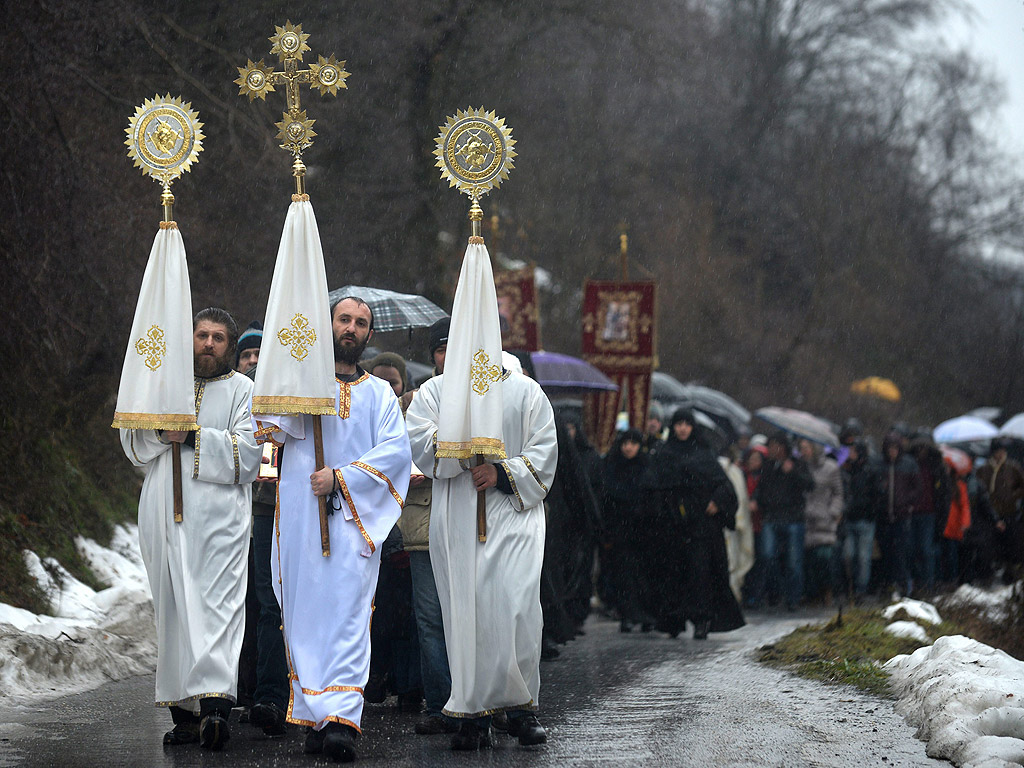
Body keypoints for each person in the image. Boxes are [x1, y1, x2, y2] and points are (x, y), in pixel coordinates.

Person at [257, 296, 412, 762]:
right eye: (344, 319)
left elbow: (395, 454)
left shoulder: (379, 394)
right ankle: (314, 712)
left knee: (348, 616)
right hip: (302, 522)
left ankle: (343, 716)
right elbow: (267, 428)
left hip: (352, 524)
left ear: (368, 334)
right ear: (329, 325)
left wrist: (341, 477)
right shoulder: (304, 389)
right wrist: (288, 392)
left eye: (360, 323)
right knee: (305, 615)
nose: (351, 327)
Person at [119, 307, 262, 750]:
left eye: (218, 337)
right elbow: (132, 440)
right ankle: (184, 713)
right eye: (202, 335)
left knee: (216, 605)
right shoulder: (166, 385)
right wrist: (163, 433)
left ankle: (216, 707)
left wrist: (195, 436)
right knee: (174, 607)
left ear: (230, 346)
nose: (208, 344)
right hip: (163, 510)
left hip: (219, 519)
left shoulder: (243, 391)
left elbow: (249, 453)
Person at [406, 346, 557, 750]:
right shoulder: (435, 392)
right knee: (466, 613)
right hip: (458, 512)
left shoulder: (527, 391)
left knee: (516, 608)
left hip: (512, 515)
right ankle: (474, 712)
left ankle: (522, 709)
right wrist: (462, 443)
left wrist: (502, 470)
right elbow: (420, 443)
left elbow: (544, 453)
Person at [398, 318, 458, 736]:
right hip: (422, 522)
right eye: (439, 348)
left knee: (471, 614)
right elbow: (398, 455)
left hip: (467, 523)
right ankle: (439, 705)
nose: (446, 356)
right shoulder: (412, 401)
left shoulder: (484, 397)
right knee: (431, 619)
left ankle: (479, 701)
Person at [234, 321, 290, 738]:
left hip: (304, 505)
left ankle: (297, 691)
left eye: (260, 353)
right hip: (262, 509)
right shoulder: (243, 394)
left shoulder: (296, 388)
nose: (254, 361)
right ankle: (264, 693)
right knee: (263, 602)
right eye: (247, 355)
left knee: (292, 604)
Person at [643, 408, 743, 639]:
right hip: (673, 527)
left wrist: (717, 502)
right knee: (673, 574)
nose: (682, 428)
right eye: (679, 424)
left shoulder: (704, 453)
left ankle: (702, 619)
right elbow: (653, 486)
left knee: (702, 574)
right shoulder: (664, 454)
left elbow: (724, 485)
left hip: (702, 526)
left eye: (687, 424)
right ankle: (673, 619)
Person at [751, 432, 815, 610]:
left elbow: (810, 485)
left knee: (794, 562)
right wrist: (757, 500)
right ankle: (777, 592)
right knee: (767, 556)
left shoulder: (797, 464)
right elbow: (761, 488)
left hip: (793, 519)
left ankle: (793, 598)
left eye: (774, 446)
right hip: (771, 517)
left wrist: (793, 472)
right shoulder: (768, 466)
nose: (770, 450)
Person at [600, 429, 654, 631]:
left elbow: (653, 499)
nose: (628, 447)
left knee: (644, 575)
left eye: (633, 443)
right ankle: (628, 614)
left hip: (644, 533)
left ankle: (645, 615)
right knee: (623, 575)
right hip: (620, 532)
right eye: (625, 443)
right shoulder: (613, 467)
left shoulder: (647, 467)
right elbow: (606, 499)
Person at [876, 431, 922, 597]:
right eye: (890, 448)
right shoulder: (880, 465)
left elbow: (917, 489)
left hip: (902, 516)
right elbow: (874, 488)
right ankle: (889, 585)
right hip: (884, 516)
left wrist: (907, 503)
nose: (892, 452)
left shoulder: (908, 464)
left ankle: (903, 585)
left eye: (895, 448)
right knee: (886, 552)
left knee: (901, 552)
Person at [800, 439, 843, 604]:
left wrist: (833, 511)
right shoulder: (801, 467)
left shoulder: (831, 468)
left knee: (824, 560)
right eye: (801, 448)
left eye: (806, 448)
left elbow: (838, 493)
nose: (804, 451)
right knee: (808, 562)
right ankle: (812, 594)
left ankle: (827, 591)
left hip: (824, 520)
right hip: (805, 519)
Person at [976, 439, 1024, 583]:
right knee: (990, 545)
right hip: (990, 514)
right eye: (998, 451)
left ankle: (1010, 574)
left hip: (1008, 512)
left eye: (1002, 451)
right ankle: (989, 574)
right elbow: (979, 488)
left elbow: (1022, 486)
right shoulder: (984, 469)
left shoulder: (1012, 467)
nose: (1000, 454)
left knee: (1011, 545)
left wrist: (1012, 496)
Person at [840, 439, 880, 601]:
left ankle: (860, 589)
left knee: (863, 557)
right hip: (849, 520)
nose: (850, 454)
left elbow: (876, 495)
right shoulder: (846, 471)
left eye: (853, 451)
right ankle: (850, 585)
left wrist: (869, 511)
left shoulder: (869, 471)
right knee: (848, 555)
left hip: (865, 520)